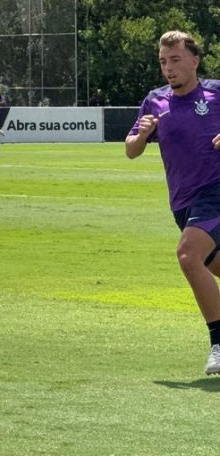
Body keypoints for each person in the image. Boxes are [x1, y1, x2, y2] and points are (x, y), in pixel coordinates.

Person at [126, 30, 220, 375]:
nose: (168, 68)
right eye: (164, 62)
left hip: (216, 190)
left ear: (194, 61)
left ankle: (218, 343)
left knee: (187, 254)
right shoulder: (155, 100)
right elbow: (131, 150)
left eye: (176, 60)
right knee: (210, 266)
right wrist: (142, 134)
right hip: (183, 202)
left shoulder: (216, 92)